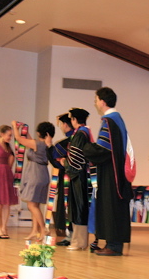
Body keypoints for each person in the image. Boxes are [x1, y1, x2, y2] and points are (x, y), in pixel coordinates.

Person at [83, 87, 134, 256]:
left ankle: (113, 246)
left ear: (102, 102)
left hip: (111, 174)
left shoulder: (109, 121)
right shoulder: (117, 119)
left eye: (96, 99)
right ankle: (113, 244)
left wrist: (86, 147)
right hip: (117, 171)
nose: (95, 103)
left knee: (110, 207)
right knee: (114, 207)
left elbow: (103, 149)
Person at [11, 120, 55, 242]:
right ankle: (35, 231)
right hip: (41, 174)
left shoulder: (38, 144)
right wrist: (26, 131)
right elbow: (28, 141)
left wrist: (15, 126)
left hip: (36, 175)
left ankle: (43, 229)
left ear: (40, 133)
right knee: (35, 204)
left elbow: (19, 140)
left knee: (31, 205)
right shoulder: (43, 144)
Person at [64, 108, 92, 251]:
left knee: (79, 207)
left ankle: (79, 242)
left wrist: (65, 164)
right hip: (80, 175)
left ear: (74, 119)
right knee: (78, 207)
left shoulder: (80, 134)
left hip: (78, 176)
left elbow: (75, 159)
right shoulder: (83, 133)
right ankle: (78, 241)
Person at [46, 113, 74, 246]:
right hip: (79, 179)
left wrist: (49, 146)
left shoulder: (63, 144)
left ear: (65, 124)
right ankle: (73, 236)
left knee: (67, 205)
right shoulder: (82, 139)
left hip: (68, 179)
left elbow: (56, 162)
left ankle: (70, 236)